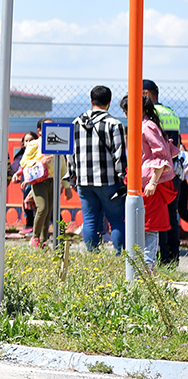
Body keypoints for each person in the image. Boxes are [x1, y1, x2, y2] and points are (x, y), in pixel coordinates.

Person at [65, 86, 127, 254]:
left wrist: (72, 176)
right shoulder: (115, 124)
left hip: (84, 181)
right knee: (116, 220)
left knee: (90, 220)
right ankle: (120, 255)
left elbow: (70, 155)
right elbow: (120, 154)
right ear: (109, 102)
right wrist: (122, 177)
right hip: (109, 182)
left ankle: (93, 254)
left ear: (91, 101)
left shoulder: (76, 123)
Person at [120, 95, 178, 268]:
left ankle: (147, 266)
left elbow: (161, 155)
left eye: (126, 111)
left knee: (149, 226)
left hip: (149, 183)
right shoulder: (145, 125)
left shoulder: (147, 127)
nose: (125, 115)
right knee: (144, 224)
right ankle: (144, 265)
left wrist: (153, 181)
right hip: (143, 182)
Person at [143, 79, 182, 265]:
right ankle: (173, 258)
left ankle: (162, 256)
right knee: (172, 216)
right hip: (175, 172)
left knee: (158, 219)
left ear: (145, 94)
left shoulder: (150, 117)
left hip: (157, 174)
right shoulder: (171, 113)